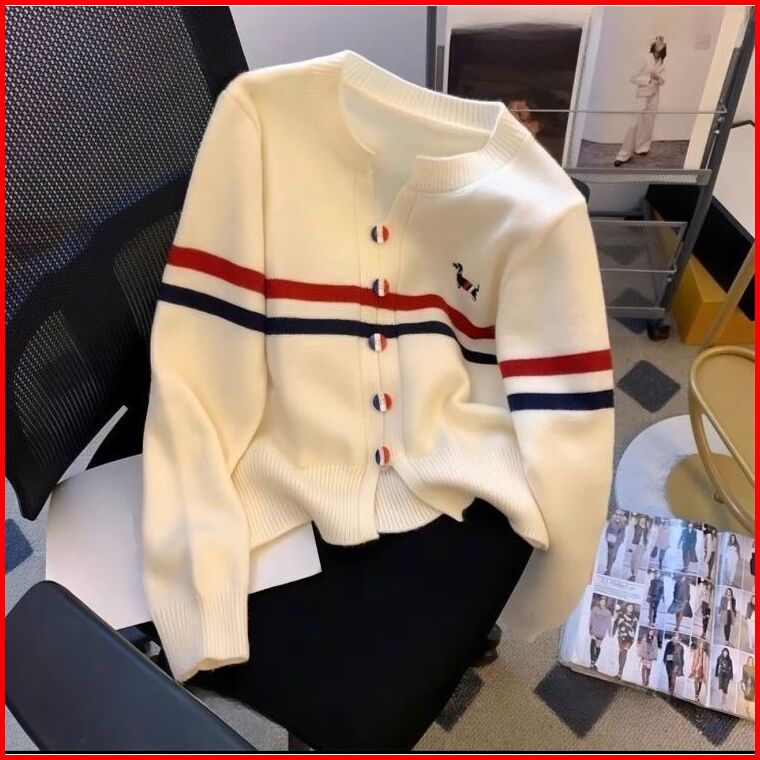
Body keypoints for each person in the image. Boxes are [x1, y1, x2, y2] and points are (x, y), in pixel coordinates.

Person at [614, 35, 667, 166]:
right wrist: (648, 78)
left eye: (662, 42)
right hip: (642, 95)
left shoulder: (662, 62)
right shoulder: (645, 58)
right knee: (633, 124)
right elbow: (632, 77)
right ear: (653, 44)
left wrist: (658, 78)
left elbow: (663, 81)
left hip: (655, 94)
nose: (660, 44)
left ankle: (642, 147)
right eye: (658, 41)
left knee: (648, 122)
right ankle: (623, 155)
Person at [612, 602, 638, 679]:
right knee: (621, 652)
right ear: (626, 607)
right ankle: (620, 671)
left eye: (632, 607)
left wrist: (632, 641)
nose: (630, 608)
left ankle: (620, 673)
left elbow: (634, 630)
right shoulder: (621, 615)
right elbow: (616, 624)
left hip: (628, 638)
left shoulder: (634, 619)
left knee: (624, 652)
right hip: (621, 636)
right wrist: (613, 632)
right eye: (629, 607)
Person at [588, 596, 614, 670]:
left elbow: (609, 623)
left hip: (601, 632)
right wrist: (590, 630)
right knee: (592, 645)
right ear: (599, 601)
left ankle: (593, 661)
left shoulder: (608, 613)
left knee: (597, 646)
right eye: (601, 601)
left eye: (604, 601)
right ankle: (592, 662)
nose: (603, 602)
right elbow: (591, 620)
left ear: (606, 603)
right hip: (594, 630)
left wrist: (610, 632)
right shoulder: (595, 609)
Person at [604, 511, 627, 575]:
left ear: (621, 516)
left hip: (617, 540)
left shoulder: (623, 524)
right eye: (617, 514)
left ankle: (609, 567)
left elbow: (623, 533)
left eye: (620, 515)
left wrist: (622, 539)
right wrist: (607, 538)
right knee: (610, 554)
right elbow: (607, 530)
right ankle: (608, 569)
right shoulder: (611, 521)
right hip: (611, 538)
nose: (618, 516)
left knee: (614, 555)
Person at [627, 515, 649, 581]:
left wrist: (646, 546)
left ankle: (634, 575)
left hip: (642, 546)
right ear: (639, 520)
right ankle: (633, 573)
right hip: (635, 544)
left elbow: (647, 537)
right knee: (632, 560)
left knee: (638, 561)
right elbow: (631, 534)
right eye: (642, 519)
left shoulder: (646, 529)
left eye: (644, 520)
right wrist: (630, 545)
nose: (643, 521)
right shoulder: (636, 526)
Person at [690, 639, 709, 703]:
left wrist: (704, 672)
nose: (702, 646)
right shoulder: (696, 651)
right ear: (699, 645)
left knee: (700, 683)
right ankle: (696, 696)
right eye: (701, 644)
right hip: (696, 669)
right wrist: (692, 668)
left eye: (703, 645)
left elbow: (705, 663)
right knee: (695, 682)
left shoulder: (704, 654)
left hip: (701, 670)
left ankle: (697, 696)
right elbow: (693, 660)